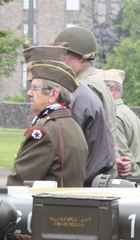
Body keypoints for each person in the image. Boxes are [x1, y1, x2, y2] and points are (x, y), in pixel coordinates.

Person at [23, 44, 116, 185]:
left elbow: (65, 161)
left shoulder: (71, 97)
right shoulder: (74, 92)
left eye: (32, 69)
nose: (29, 77)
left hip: (79, 191)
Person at [56, 26, 127, 177]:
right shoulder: (96, 82)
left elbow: (79, 135)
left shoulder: (83, 87)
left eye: (64, 55)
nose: (59, 60)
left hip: (91, 168)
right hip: (100, 165)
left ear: (81, 57)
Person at [7, 60, 88, 187]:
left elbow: (18, 184)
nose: (29, 93)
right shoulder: (73, 126)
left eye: (35, 88)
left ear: (53, 94)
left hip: (47, 205)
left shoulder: (45, 130)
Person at [100, 69, 140, 177]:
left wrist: (136, 184)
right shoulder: (130, 114)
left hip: (128, 181)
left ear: (111, 89)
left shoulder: (113, 116)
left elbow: (124, 158)